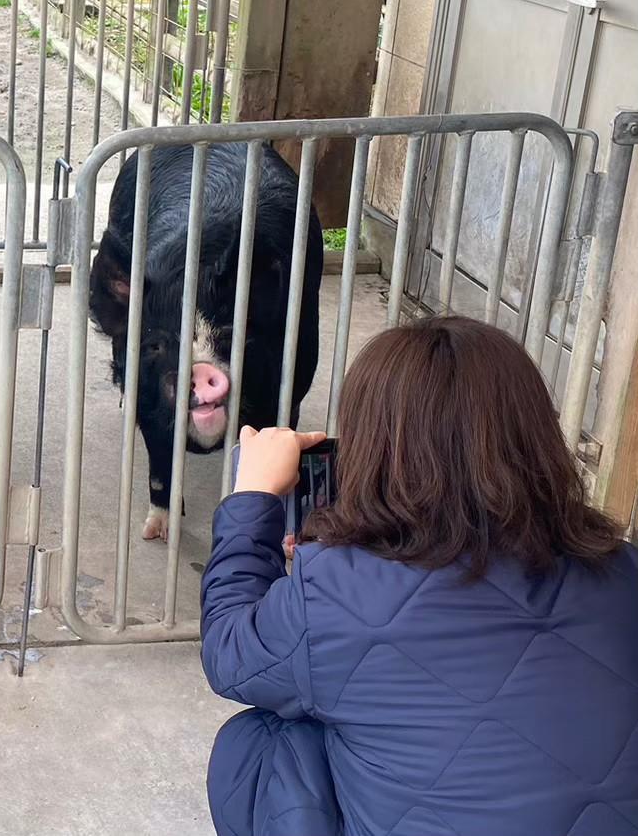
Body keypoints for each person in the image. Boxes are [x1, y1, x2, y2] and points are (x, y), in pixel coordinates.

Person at [200, 316, 638, 836]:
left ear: (373, 449)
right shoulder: (623, 567)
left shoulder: (336, 594)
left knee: (255, 744)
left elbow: (229, 652)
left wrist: (254, 498)